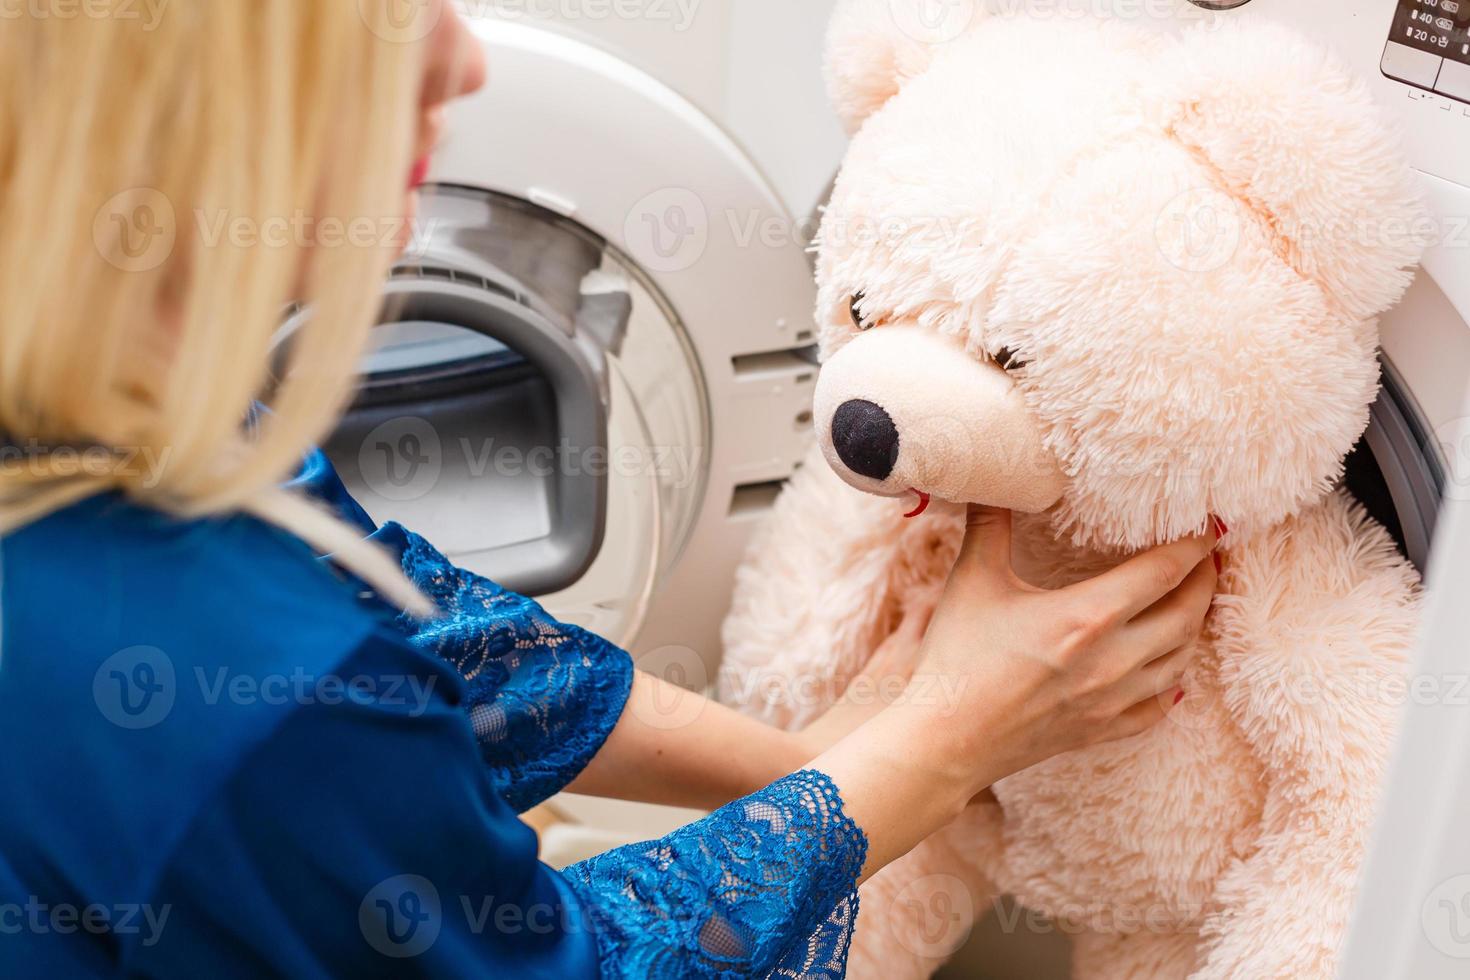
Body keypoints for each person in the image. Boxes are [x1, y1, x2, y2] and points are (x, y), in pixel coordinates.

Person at [0, 3, 1220, 976]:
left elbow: (442, 639)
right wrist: (956, 735)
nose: (465, 57)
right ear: (167, 105)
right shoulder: (255, 701)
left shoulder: (137, 417)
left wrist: (825, 752)